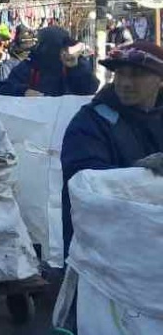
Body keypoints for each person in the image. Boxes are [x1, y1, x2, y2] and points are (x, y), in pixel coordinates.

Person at [60, 41, 163, 259]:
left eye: (136, 74)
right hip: (106, 256)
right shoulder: (91, 122)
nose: (125, 83)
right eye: (120, 74)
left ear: (160, 80)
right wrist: (141, 175)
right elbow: (84, 181)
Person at [0, 26, 99, 98]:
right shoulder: (30, 66)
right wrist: (23, 91)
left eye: (65, 48)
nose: (63, 53)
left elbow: (91, 88)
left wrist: (75, 68)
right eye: (59, 48)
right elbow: (0, 90)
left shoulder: (73, 64)